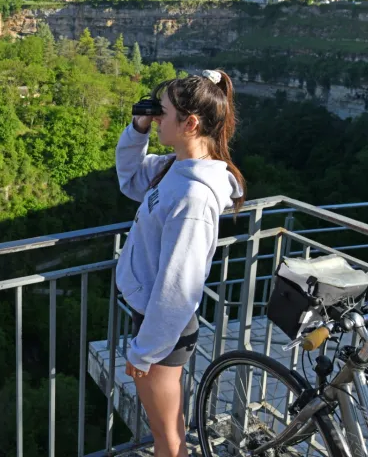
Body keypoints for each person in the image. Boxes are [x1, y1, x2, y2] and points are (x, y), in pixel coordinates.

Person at [114, 69, 245, 457]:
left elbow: (179, 286)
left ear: (189, 123)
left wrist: (144, 351)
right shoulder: (174, 167)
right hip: (155, 320)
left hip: (163, 328)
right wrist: (137, 129)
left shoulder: (193, 197)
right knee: (168, 433)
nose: (156, 119)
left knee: (168, 440)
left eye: (163, 112)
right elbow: (130, 181)